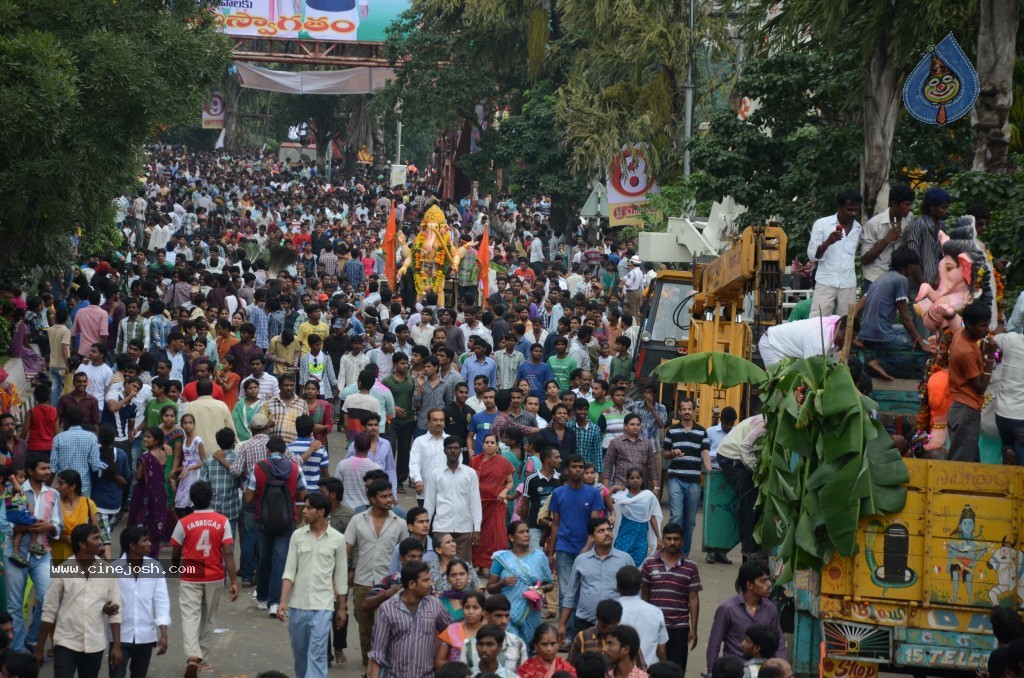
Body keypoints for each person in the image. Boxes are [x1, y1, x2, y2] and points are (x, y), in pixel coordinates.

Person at [171, 481, 239, 678]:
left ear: (192, 499)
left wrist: (175, 566)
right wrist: (233, 581)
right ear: (211, 498)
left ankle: (192, 655)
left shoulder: (183, 522)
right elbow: (228, 553)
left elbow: (176, 548)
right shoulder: (222, 521)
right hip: (214, 573)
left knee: (190, 616)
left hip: (191, 572)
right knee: (208, 618)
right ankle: (204, 659)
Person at [277, 492, 348, 678]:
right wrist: (283, 601)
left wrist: (341, 608)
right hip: (298, 605)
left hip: (323, 606)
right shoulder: (297, 536)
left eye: (309, 507)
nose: (304, 511)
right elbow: (289, 571)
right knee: (300, 655)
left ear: (321, 511)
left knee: (317, 655)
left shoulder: (338, 539)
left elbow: (340, 576)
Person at [37, 524, 122, 677]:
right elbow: (49, 610)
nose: (100, 542)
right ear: (82, 544)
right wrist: (39, 648)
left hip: (95, 644)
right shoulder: (63, 570)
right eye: (95, 538)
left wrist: (117, 646)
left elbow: (116, 611)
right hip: (66, 642)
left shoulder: (108, 571)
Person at [346, 479, 408, 671]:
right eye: (384, 496)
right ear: (372, 499)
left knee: (389, 629)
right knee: (365, 630)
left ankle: (386, 669)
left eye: (390, 495)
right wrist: (345, 576)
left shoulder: (400, 524)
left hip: (389, 585)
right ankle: (368, 668)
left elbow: (406, 556)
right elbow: (345, 550)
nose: (389, 499)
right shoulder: (357, 520)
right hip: (363, 581)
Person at [546, 454, 610, 639]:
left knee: (584, 591)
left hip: (587, 550)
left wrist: (588, 547)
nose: (579, 470)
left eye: (581, 466)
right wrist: (552, 552)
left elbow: (595, 524)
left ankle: (578, 634)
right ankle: (564, 633)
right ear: (567, 470)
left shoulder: (593, 494)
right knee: (565, 592)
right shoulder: (558, 494)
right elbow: (555, 524)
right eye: (574, 466)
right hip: (564, 548)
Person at [6, 453, 61, 654]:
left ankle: (31, 640)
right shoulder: (14, 491)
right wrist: (28, 527)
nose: (48, 473)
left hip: (42, 554)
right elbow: (9, 525)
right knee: (14, 605)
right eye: (43, 469)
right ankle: (19, 650)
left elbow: (58, 528)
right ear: (30, 471)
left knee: (48, 601)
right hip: (15, 554)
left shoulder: (53, 494)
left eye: (48, 469)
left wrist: (49, 527)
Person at [245, 436, 306, 617]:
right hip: (287, 520)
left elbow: (248, 497)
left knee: (264, 559)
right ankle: (275, 602)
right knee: (281, 559)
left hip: (263, 521)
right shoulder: (295, 468)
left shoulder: (258, 468)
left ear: (268, 450)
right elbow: (303, 494)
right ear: (285, 451)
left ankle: (262, 597)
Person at [855, 246, 932, 380]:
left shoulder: (881, 278)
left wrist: (855, 335)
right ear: (909, 266)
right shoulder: (901, 280)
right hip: (881, 336)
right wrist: (920, 342)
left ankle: (876, 359)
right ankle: (881, 363)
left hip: (866, 333)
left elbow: (858, 307)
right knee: (920, 349)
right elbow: (905, 317)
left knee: (904, 331)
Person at [368, 561, 452, 678]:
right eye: (425, 580)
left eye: (430, 579)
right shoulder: (387, 609)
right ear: (412, 584)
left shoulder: (435, 605)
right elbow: (378, 653)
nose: (431, 584)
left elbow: (452, 632)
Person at [558, 517, 633, 642]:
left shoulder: (625, 559)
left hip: (617, 625)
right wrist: (562, 624)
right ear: (592, 537)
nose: (607, 533)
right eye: (601, 531)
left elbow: (634, 592)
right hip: (585, 624)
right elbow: (570, 594)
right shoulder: (581, 560)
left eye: (609, 529)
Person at [640, 523, 701, 674]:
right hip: (655, 626)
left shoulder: (691, 567)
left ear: (683, 541)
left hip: (679, 628)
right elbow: (644, 596)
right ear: (662, 539)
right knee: (652, 670)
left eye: (676, 539)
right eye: (668, 539)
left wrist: (693, 628)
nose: (672, 543)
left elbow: (693, 598)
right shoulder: (649, 563)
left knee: (676, 670)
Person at [706, 562, 788, 673]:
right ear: (749, 585)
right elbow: (714, 645)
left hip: (762, 671)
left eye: (769, 580)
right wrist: (712, 674)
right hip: (733, 671)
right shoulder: (727, 609)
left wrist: (782, 670)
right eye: (763, 581)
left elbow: (780, 643)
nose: (769, 584)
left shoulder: (770, 608)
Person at [112, 526, 170, 678]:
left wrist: (163, 634)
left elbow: (161, 601)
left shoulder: (155, 567)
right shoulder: (113, 569)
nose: (150, 543)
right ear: (132, 546)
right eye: (145, 540)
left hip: (146, 637)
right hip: (120, 637)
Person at [486, 520, 554, 644]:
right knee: (510, 648)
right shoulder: (502, 559)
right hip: (507, 613)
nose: (526, 535)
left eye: (527, 531)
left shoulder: (539, 557)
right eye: (521, 532)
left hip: (531, 612)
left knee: (529, 648)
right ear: (511, 537)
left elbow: (550, 583)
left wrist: (541, 589)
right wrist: (502, 583)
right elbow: (490, 588)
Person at [948, 302, 998, 462]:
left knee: (970, 459)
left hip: (963, 408)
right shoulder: (966, 352)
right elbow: (980, 387)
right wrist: (990, 357)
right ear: (969, 325)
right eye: (983, 326)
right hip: (966, 410)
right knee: (962, 463)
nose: (987, 330)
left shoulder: (960, 334)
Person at [713, 415, 767, 561]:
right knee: (748, 502)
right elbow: (745, 446)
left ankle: (753, 544)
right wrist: (757, 470)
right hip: (732, 457)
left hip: (740, 456)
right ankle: (749, 547)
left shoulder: (766, 419)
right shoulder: (764, 424)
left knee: (755, 501)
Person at [662, 398, 709, 558]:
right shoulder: (672, 431)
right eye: (684, 409)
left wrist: (710, 474)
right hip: (675, 479)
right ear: (679, 411)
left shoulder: (702, 432)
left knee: (690, 522)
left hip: (694, 482)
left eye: (690, 409)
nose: (687, 411)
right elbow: (665, 454)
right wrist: (672, 453)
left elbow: (706, 454)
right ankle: (671, 550)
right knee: (676, 517)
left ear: (694, 411)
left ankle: (684, 555)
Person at [806, 189, 862, 318]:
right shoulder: (822, 224)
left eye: (856, 210)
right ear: (839, 207)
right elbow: (812, 255)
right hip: (826, 281)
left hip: (848, 283)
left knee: (847, 323)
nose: (853, 213)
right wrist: (827, 243)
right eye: (849, 209)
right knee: (817, 322)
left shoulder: (858, 228)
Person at [425, 436, 481, 564]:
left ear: (460, 451)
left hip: (464, 528)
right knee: (441, 566)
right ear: (444, 451)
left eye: (456, 448)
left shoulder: (470, 474)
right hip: (441, 527)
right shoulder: (435, 474)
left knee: (463, 567)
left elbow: (475, 502)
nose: (453, 451)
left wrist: (476, 528)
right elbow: (429, 503)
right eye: (449, 448)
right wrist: (426, 525)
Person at [470, 433, 514, 572]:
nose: (489, 445)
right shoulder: (475, 461)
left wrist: (504, 491)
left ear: (497, 445)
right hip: (477, 503)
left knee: (495, 536)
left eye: (492, 442)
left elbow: (510, 481)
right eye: (487, 442)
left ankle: (493, 567)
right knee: (478, 534)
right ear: (482, 444)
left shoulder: (503, 462)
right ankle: (479, 564)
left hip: (496, 504)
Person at [860, 184, 915, 291]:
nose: (910, 208)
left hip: (897, 276)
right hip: (875, 277)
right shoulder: (873, 224)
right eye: (906, 204)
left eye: (911, 204)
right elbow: (864, 259)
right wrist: (887, 240)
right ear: (894, 204)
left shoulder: (909, 218)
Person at [460, 594, 529, 674]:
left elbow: (523, 675)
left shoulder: (518, 643)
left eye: (507, 616)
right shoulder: (469, 644)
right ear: (486, 615)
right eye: (498, 616)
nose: (504, 621)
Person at [127, 427, 168, 559]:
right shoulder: (163, 454)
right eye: (145, 437)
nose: (145, 439)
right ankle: (152, 557)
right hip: (159, 494)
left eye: (148, 437)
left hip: (144, 494)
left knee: (137, 525)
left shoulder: (145, 457)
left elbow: (139, 477)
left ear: (156, 441)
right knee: (155, 525)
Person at [614, 566, 668, 667]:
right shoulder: (656, 612)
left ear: (617, 586)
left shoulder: (612, 612)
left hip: (621, 670)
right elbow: (661, 650)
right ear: (640, 586)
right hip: (649, 669)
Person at [52, 469, 105, 564]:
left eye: (61, 483)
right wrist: (65, 538)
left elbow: (95, 530)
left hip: (82, 554)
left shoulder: (88, 504)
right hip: (57, 552)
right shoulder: (54, 503)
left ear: (72, 486)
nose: (56, 487)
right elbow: (48, 531)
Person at [757, 315, 853, 367]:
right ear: (836, 328)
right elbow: (810, 371)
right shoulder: (818, 343)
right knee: (778, 385)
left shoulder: (837, 320)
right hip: (771, 344)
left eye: (851, 338)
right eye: (844, 336)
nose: (846, 341)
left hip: (784, 346)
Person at [611, 468, 662, 566]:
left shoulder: (648, 496)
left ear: (642, 480)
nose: (635, 480)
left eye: (638, 478)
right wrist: (613, 489)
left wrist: (659, 538)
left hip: (641, 537)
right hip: (624, 535)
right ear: (627, 481)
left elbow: (652, 517)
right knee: (619, 563)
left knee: (637, 566)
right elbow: (606, 501)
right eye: (632, 478)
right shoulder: (622, 496)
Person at [49, 408, 102, 498]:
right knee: (83, 511)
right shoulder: (91, 437)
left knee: (64, 511)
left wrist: (46, 487)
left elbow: (53, 467)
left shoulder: (58, 438)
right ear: (82, 420)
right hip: (84, 485)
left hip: (64, 486)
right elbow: (95, 465)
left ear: (67, 420)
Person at [521, 446, 562, 550]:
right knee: (537, 558)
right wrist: (522, 525)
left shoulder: (561, 479)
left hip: (557, 526)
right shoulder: (531, 479)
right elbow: (525, 503)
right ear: (547, 460)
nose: (560, 460)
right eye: (557, 457)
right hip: (535, 526)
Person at [435, 590, 487, 667]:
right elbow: (439, 661)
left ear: (483, 611)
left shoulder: (488, 633)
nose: (470, 612)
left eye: (475, 608)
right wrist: (458, 670)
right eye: (467, 607)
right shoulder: (452, 630)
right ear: (462, 609)